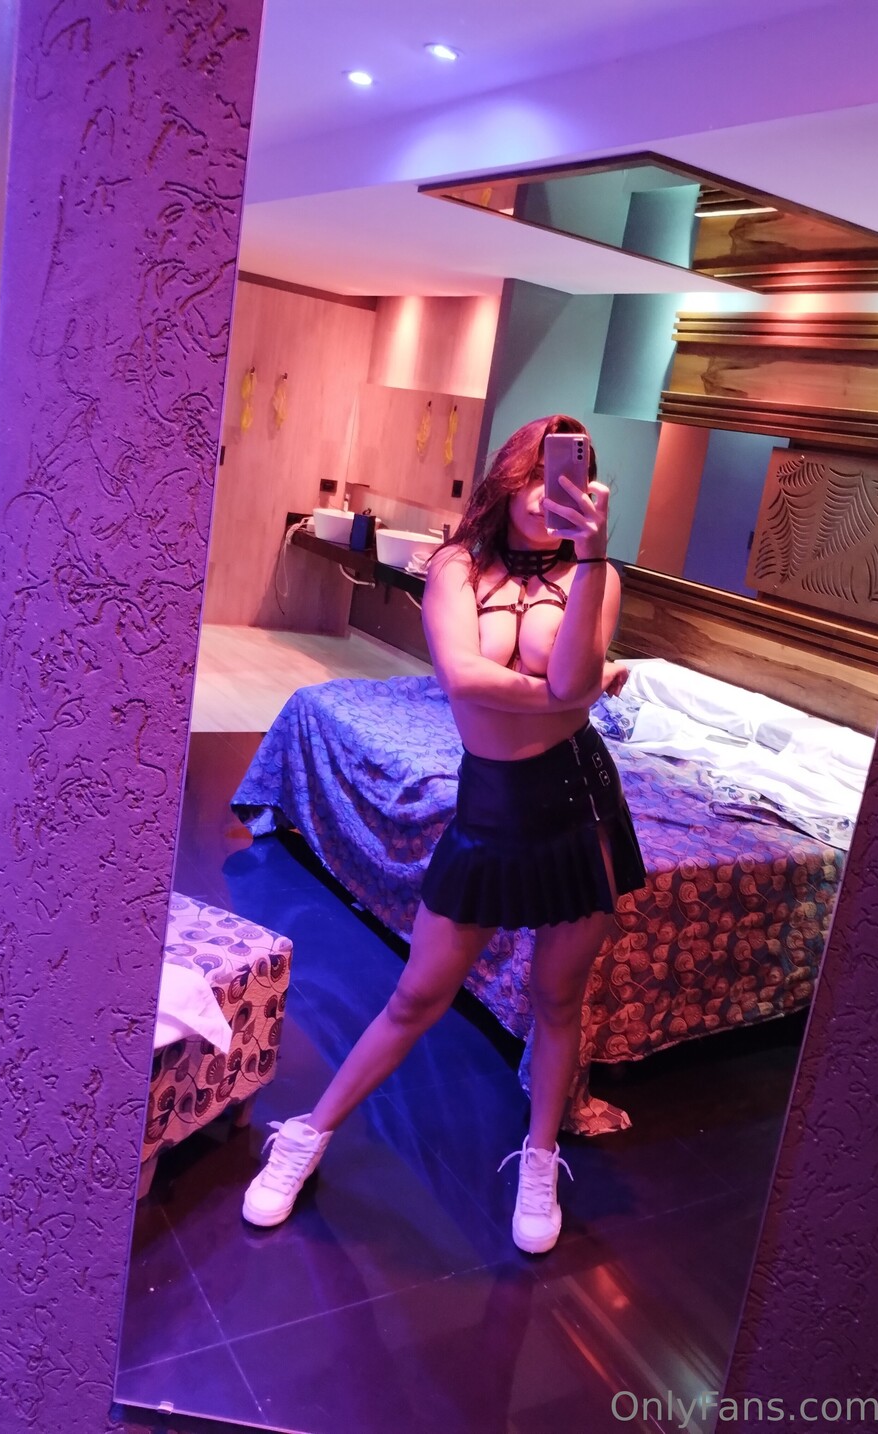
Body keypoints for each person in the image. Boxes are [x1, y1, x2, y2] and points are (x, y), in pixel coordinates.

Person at [242, 415, 646, 1252]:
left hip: (578, 806)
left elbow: (573, 676)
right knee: (418, 995)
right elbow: (463, 678)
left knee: (557, 998)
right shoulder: (458, 565)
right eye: (537, 474)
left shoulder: (595, 575)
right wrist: (572, 694)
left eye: (568, 477)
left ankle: (540, 1157)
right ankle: (307, 1134)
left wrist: (593, 562)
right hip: (491, 806)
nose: (550, 493)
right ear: (509, 477)